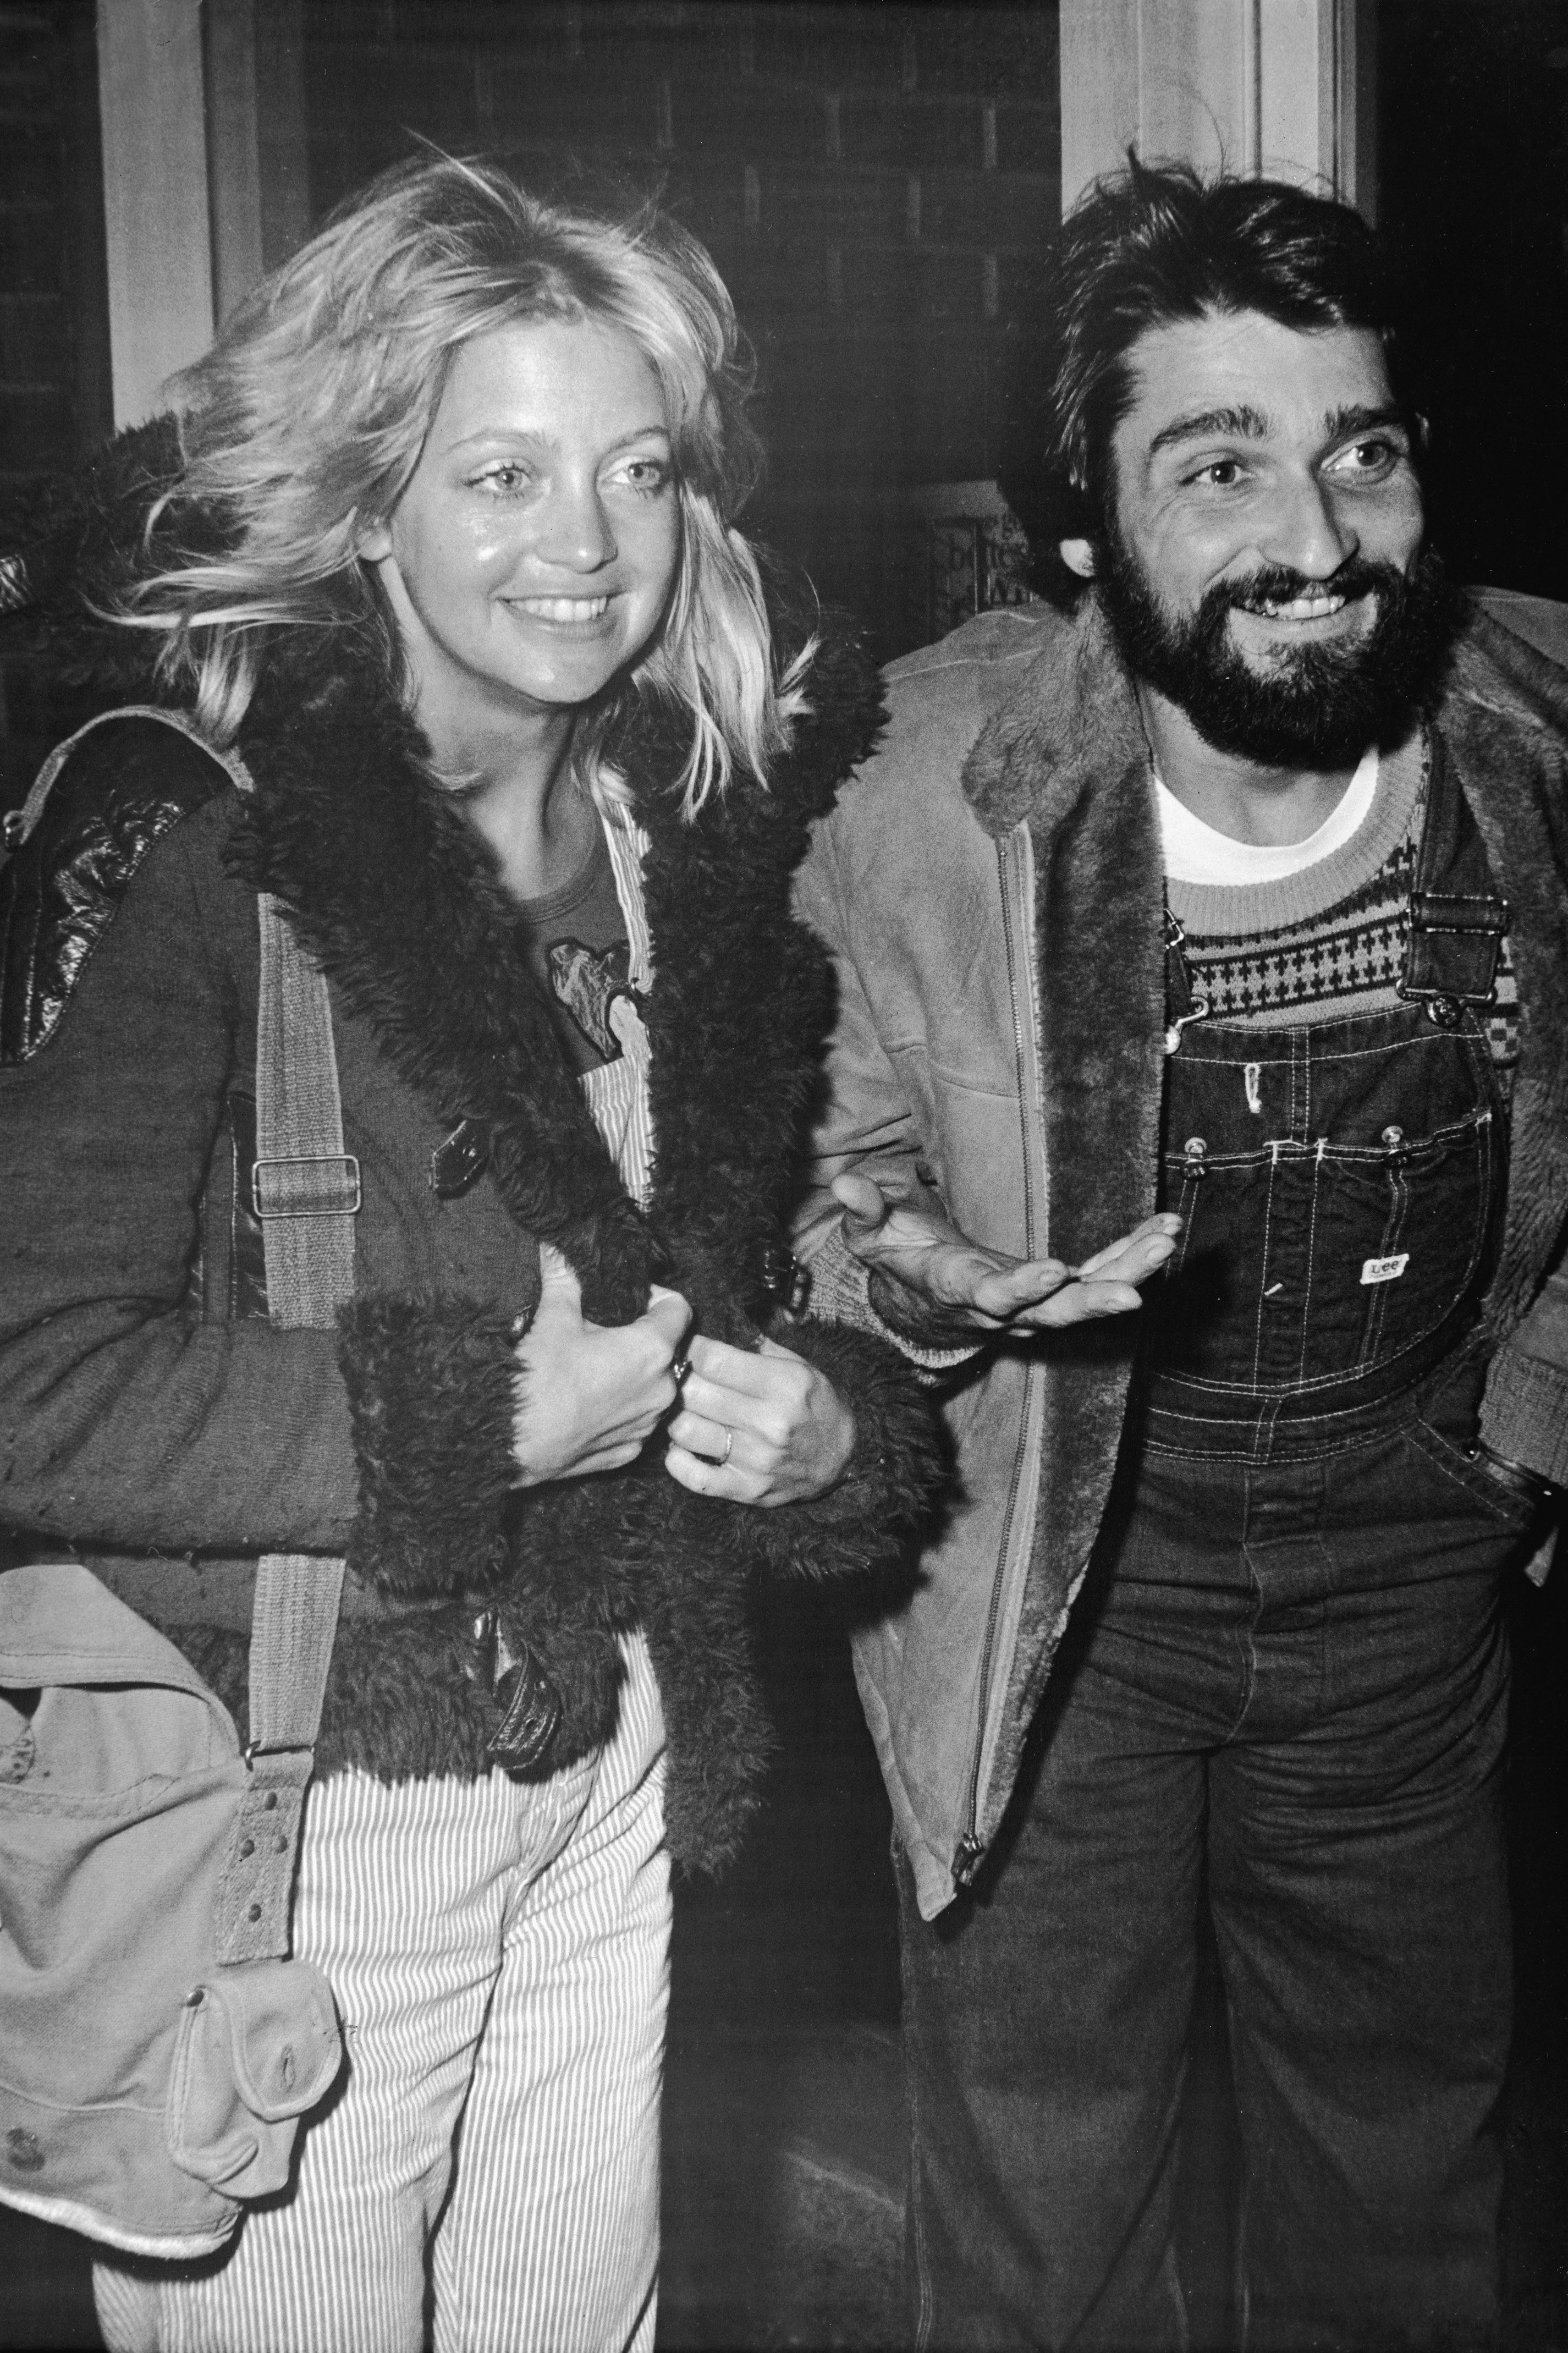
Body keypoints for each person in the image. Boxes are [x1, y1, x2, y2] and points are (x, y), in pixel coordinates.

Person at [0, 155, 942, 2353]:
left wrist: (819, 1432)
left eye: (636, 469)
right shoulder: (211, 876)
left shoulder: (697, 886)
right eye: (501, 471)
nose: (584, 543)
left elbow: (773, 1301)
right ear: (370, 505)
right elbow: (7, 1373)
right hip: (312, 1811)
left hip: (618, 1765)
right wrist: (473, 1417)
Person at [794, 156, 1568, 2350]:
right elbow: (799, 1174)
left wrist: (1524, 1432)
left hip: (1409, 1577)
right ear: (1076, 534)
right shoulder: (907, 787)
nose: (1315, 544)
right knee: (1042, 2204)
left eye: (1361, 454)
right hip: (1050, 1569)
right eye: (1216, 468)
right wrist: (894, 1274)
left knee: (1402, 2184)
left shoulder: (1537, 743)